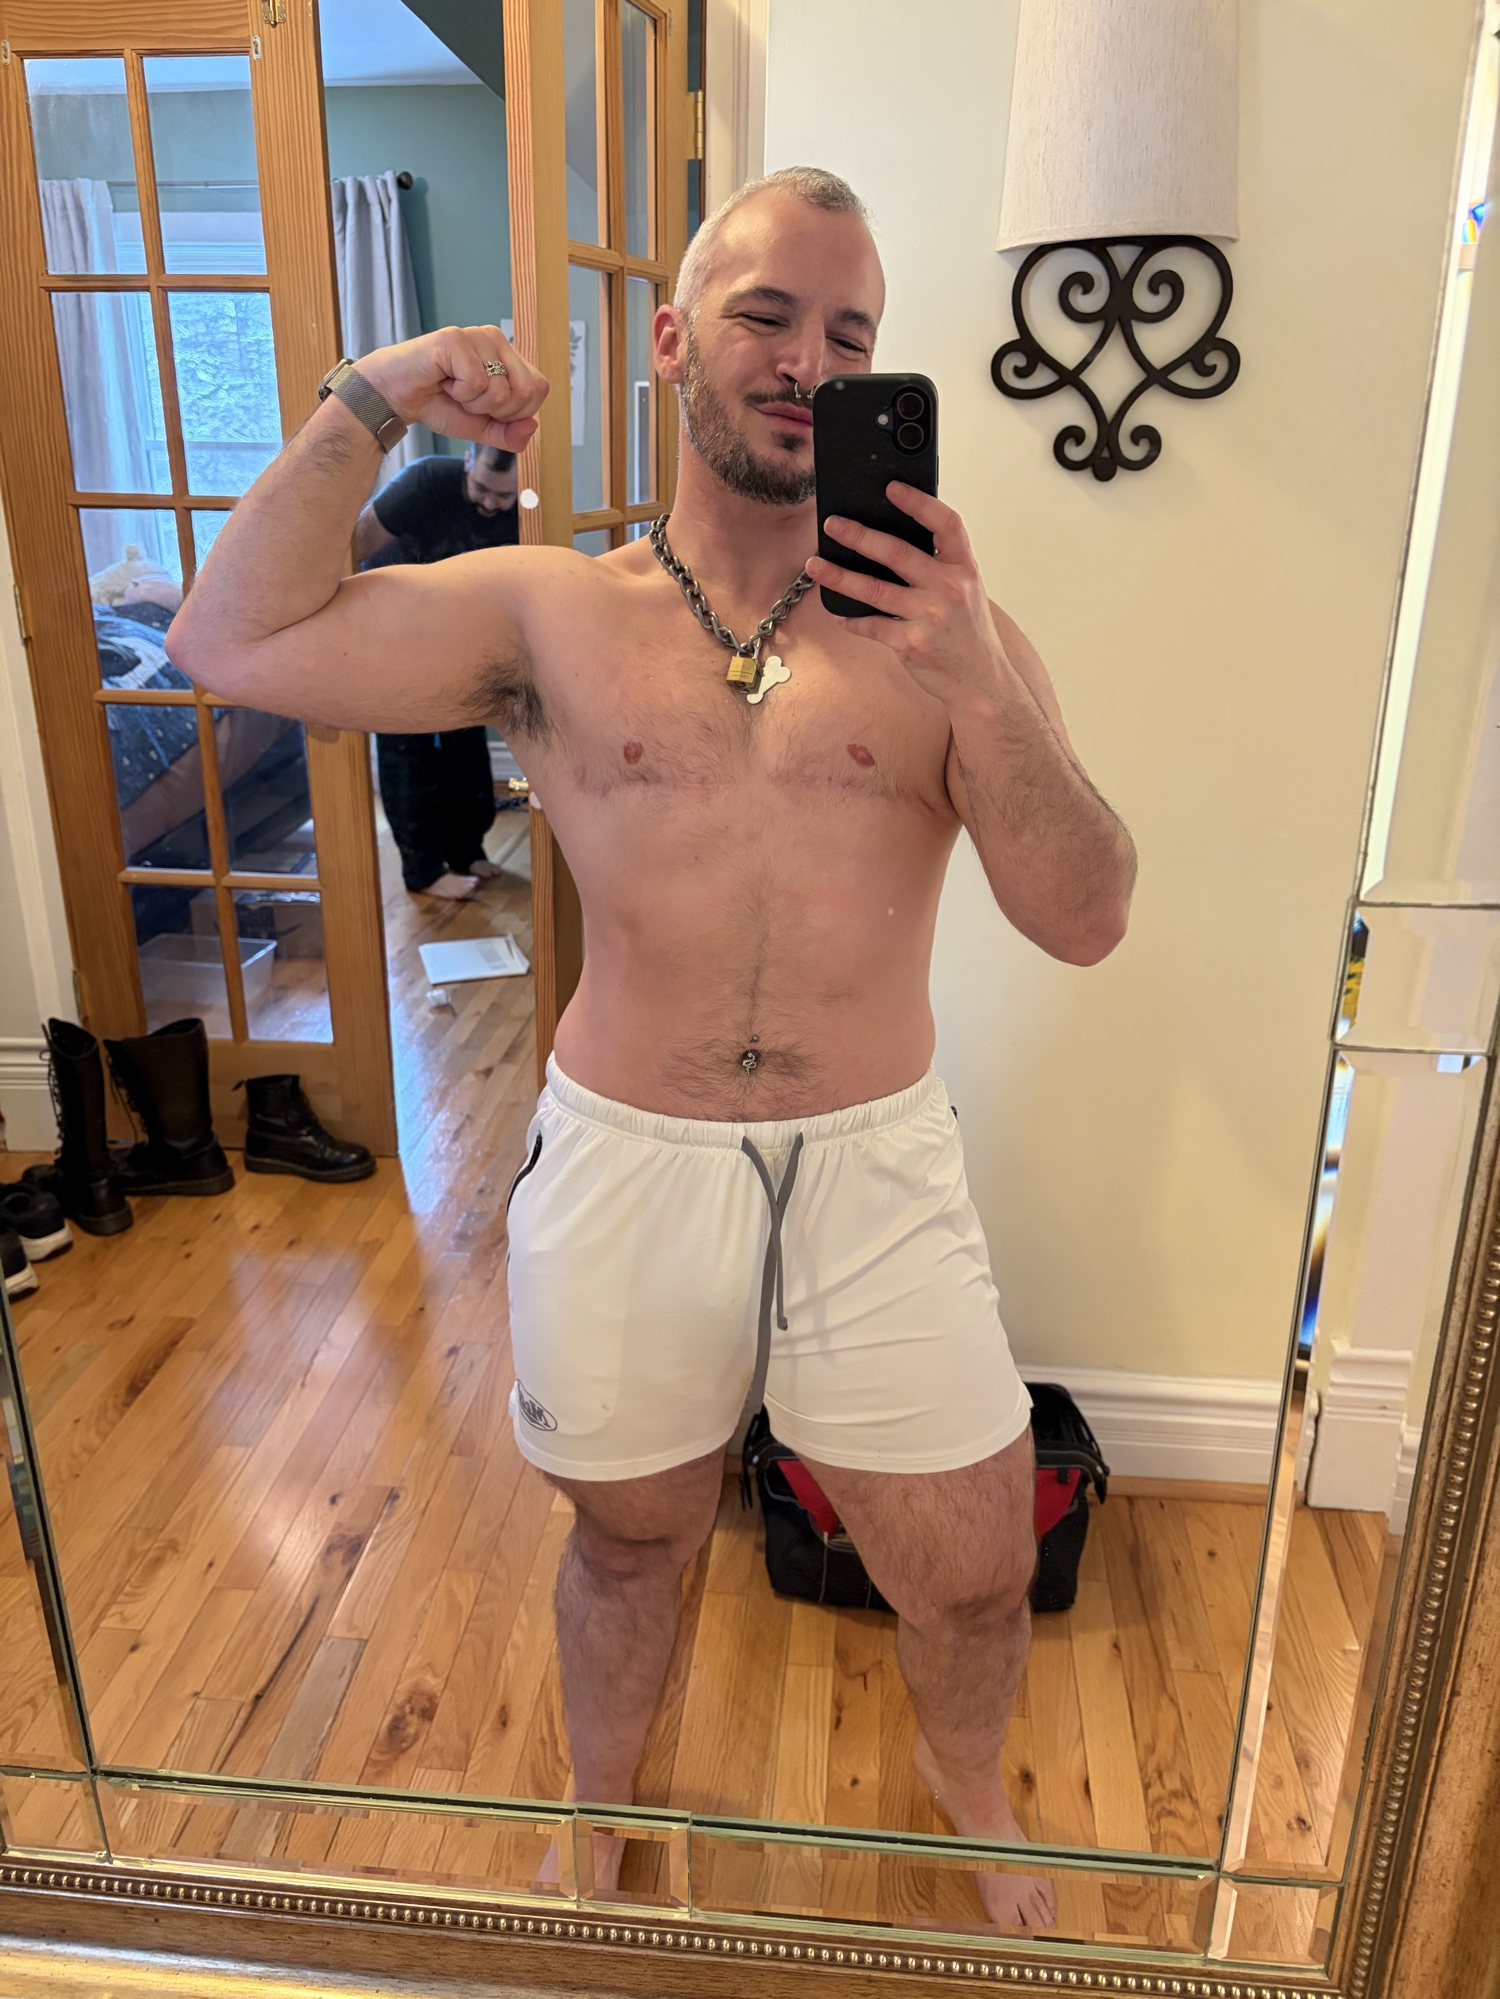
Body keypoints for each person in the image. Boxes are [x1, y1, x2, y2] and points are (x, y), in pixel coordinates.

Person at [169, 167, 1136, 1931]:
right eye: (768, 315)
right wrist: (376, 390)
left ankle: (974, 1782)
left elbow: (1086, 916)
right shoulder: (555, 614)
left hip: (873, 1155)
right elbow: (226, 636)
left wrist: (979, 682)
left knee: (975, 1567)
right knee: (630, 1533)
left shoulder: (956, 641)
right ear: (676, 340)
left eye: (850, 334)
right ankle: (601, 1806)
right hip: (629, 1149)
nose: (809, 361)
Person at [357, 444, 521, 900]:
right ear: (467, 461)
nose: (490, 502)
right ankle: (423, 871)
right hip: (391, 623)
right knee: (406, 750)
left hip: (459, 629)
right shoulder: (424, 482)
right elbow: (356, 544)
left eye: (504, 496)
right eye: (482, 487)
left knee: (465, 742)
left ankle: (466, 851)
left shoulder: (530, 506)